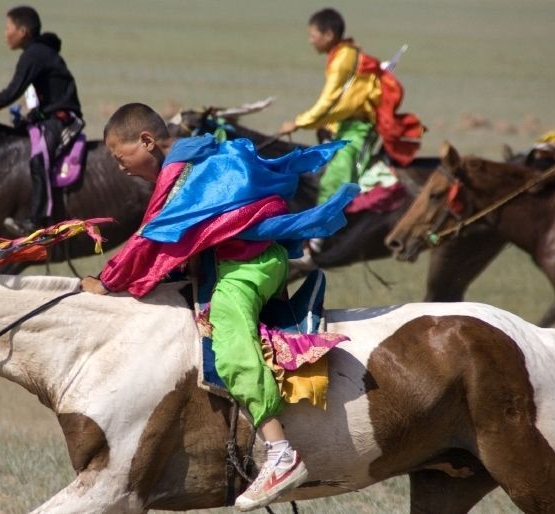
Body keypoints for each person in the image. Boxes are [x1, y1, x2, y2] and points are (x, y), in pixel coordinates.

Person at [81, 103, 359, 511]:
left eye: (121, 158)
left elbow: (150, 238)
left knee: (226, 334)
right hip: (229, 261)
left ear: (146, 141)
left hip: (248, 265)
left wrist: (108, 281)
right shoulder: (190, 156)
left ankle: (280, 453)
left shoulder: (179, 174)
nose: (120, 168)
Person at [280, 8, 423, 209]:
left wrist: (298, 123)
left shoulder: (341, 61)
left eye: (313, 35)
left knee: (334, 181)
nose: (310, 41)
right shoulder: (344, 54)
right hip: (345, 126)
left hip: (359, 129)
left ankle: (323, 229)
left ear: (328, 35)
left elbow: (330, 102)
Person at [0, 5, 84, 235]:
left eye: (8, 28)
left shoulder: (34, 54)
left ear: (23, 32)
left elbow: (12, 91)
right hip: (47, 116)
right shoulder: (37, 52)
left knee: (40, 159)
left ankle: (38, 221)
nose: (5, 34)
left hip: (63, 120)